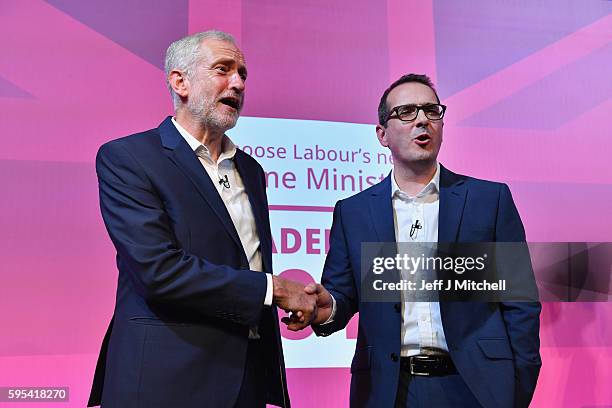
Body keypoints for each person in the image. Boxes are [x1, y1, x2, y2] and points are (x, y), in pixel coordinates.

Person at [88, 30, 315, 408]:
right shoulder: (129, 158)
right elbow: (159, 270)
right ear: (180, 82)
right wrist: (273, 289)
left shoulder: (252, 170)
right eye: (223, 70)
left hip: (246, 378)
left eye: (242, 73)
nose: (238, 83)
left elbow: (246, 261)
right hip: (166, 382)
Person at [287, 74, 541, 407]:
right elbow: (342, 295)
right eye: (406, 112)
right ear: (382, 135)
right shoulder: (354, 212)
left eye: (431, 110)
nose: (422, 119)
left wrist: (515, 390)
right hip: (388, 390)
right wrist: (326, 308)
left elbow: (519, 304)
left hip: (475, 388)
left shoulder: (488, 200)